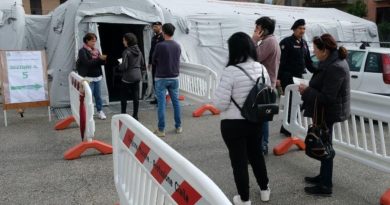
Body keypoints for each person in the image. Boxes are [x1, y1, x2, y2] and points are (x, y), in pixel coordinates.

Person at [213, 32, 271, 205]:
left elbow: (220, 104)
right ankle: (265, 190)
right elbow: (266, 94)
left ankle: (244, 199)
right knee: (256, 156)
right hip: (256, 121)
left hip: (233, 124)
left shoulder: (231, 71)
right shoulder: (261, 68)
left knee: (239, 162)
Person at [299, 34, 350, 196]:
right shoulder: (330, 62)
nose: (314, 52)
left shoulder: (335, 66)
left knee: (325, 146)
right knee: (324, 143)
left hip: (328, 112)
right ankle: (323, 177)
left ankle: (326, 185)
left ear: (325, 50)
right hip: (324, 111)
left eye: (315, 49)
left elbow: (328, 98)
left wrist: (307, 91)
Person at [278, 19, 316, 136]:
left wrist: (319, 71)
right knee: (290, 103)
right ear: (294, 29)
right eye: (300, 28)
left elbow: (309, 63)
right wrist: (278, 78)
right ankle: (287, 127)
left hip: (299, 77)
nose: (302, 31)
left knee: (298, 102)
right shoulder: (286, 42)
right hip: (287, 77)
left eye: (304, 28)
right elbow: (280, 62)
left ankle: (288, 126)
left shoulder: (304, 44)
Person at [252, 16, 281, 155]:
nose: (255, 31)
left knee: (262, 117)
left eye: (257, 28)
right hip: (266, 84)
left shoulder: (269, 42)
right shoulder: (270, 40)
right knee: (262, 116)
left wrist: (254, 40)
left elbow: (254, 57)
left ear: (265, 29)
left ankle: (263, 145)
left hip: (265, 86)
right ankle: (261, 144)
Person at [152, 23, 182, 137]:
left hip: (161, 77)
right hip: (174, 77)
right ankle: (178, 126)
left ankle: (161, 129)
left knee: (161, 104)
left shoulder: (160, 45)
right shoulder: (177, 45)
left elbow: (154, 60)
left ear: (163, 32)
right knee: (176, 103)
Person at [77, 33, 107, 120]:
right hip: (88, 77)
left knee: (98, 96)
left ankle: (100, 111)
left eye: (95, 41)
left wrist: (103, 60)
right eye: (92, 41)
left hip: (97, 76)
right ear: (87, 40)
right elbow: (87, 63)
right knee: (88, 96)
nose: (94, 43)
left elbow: (100, 63)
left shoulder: (97, 50)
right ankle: (88, 113)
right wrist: (99, 59)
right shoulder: (82, 51)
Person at [118, 33, 144, 120]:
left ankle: (123, 114)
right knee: (135, 95)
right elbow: (142, 63)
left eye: (124, 40)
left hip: (128, 76)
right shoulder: (139, 51)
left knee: (123, 96)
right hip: (138, 75)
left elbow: (124, 67)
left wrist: (120, 64)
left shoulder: (126, 51)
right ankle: (135, 115)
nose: (123, 42)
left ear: (128, 41)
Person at [148, 22, 164, 104]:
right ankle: (157, 98)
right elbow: (152, 50)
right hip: (154, 63)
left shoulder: (163, 37)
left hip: (160, 63)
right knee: (155, 80)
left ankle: (161, 98)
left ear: (160, 27)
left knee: (160, 81)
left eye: (156, 27)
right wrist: (149, 61)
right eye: (153, 27)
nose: (154, 28)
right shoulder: (154, 37)